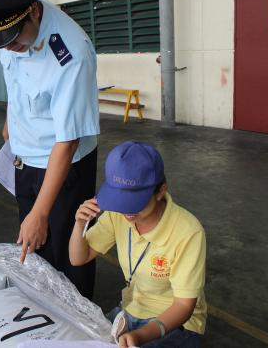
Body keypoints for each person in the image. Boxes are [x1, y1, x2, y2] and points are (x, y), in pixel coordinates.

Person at [0, 0, 100, 299]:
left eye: (13, 41)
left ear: (34, 12)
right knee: (36, 252)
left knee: (69, 252)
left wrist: (40, 212)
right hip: (25, 158)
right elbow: (14, 77)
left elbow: (67, 141)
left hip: (64, 167)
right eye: (0, 42)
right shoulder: (10, 31)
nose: (8, 48)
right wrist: (12, 120)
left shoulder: (71, 55)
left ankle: (78, 325)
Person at [69, 141, 206, 347]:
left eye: (134, 201)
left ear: (160, 191)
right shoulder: (118, 214)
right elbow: (79, 258)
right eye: (120, 199)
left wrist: (140, 336)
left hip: (176, 323)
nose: (127, 210)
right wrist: (80, 225)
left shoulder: (188, 231)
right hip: (130, 310)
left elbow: (183, 306)